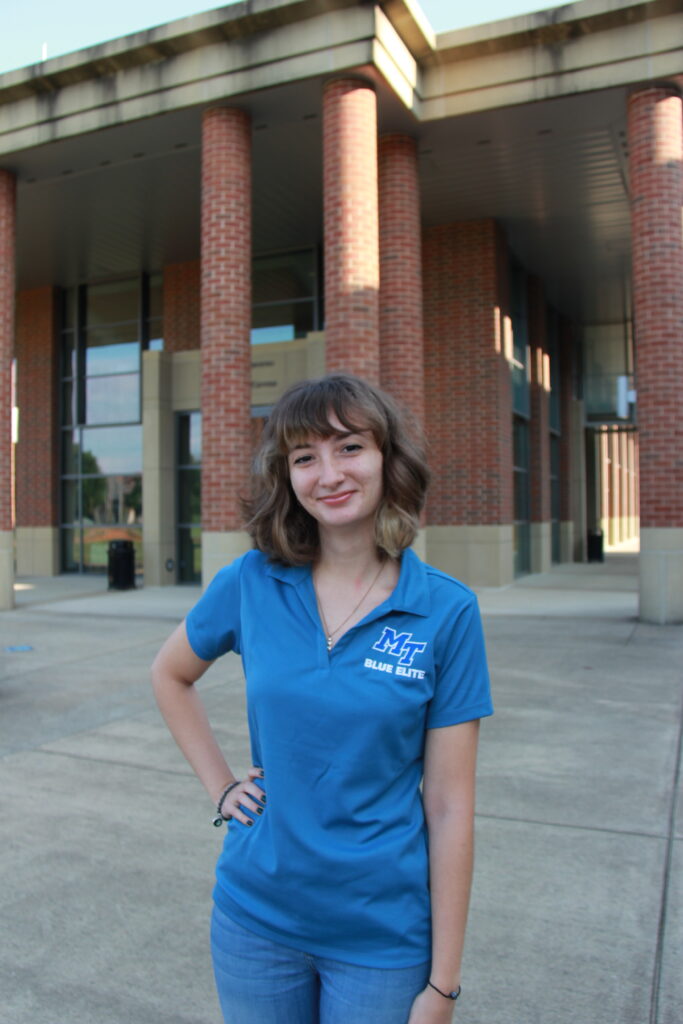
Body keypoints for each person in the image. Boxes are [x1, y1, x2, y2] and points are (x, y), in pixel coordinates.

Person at [151, 372, 493, 1024]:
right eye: (304, 458)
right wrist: (221, 787)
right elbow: (170, 674)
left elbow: (449, 806)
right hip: (254, 918)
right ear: (288, 478)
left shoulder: (445, 610)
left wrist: (442, 985)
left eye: (348, 448)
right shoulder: (252, 581)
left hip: (380, 936)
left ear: (387, 459)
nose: (327, 474)